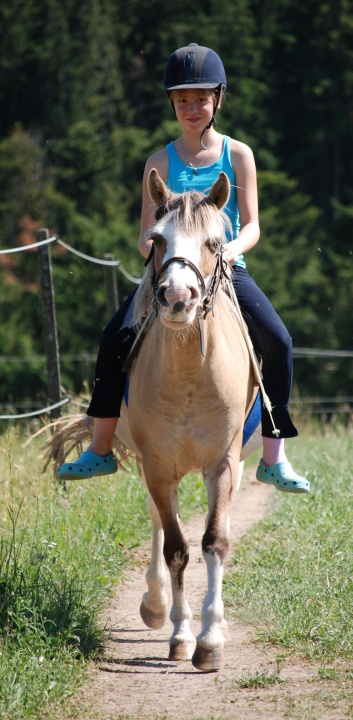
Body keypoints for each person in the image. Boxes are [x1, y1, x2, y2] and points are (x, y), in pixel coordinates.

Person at [59, 43, 310, 494]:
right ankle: (99, 448)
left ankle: (275, 454)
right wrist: (160, 252)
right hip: (168, 270)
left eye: (200, 99)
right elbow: (142, 236)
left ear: (218, 99)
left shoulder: (239, 155)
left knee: (279, 340)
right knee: (113, 336)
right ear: (172, 105)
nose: (191, 109)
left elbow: (252, 226)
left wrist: (230, 250)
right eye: (182, 101)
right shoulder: (158, 163)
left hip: (224, 268)